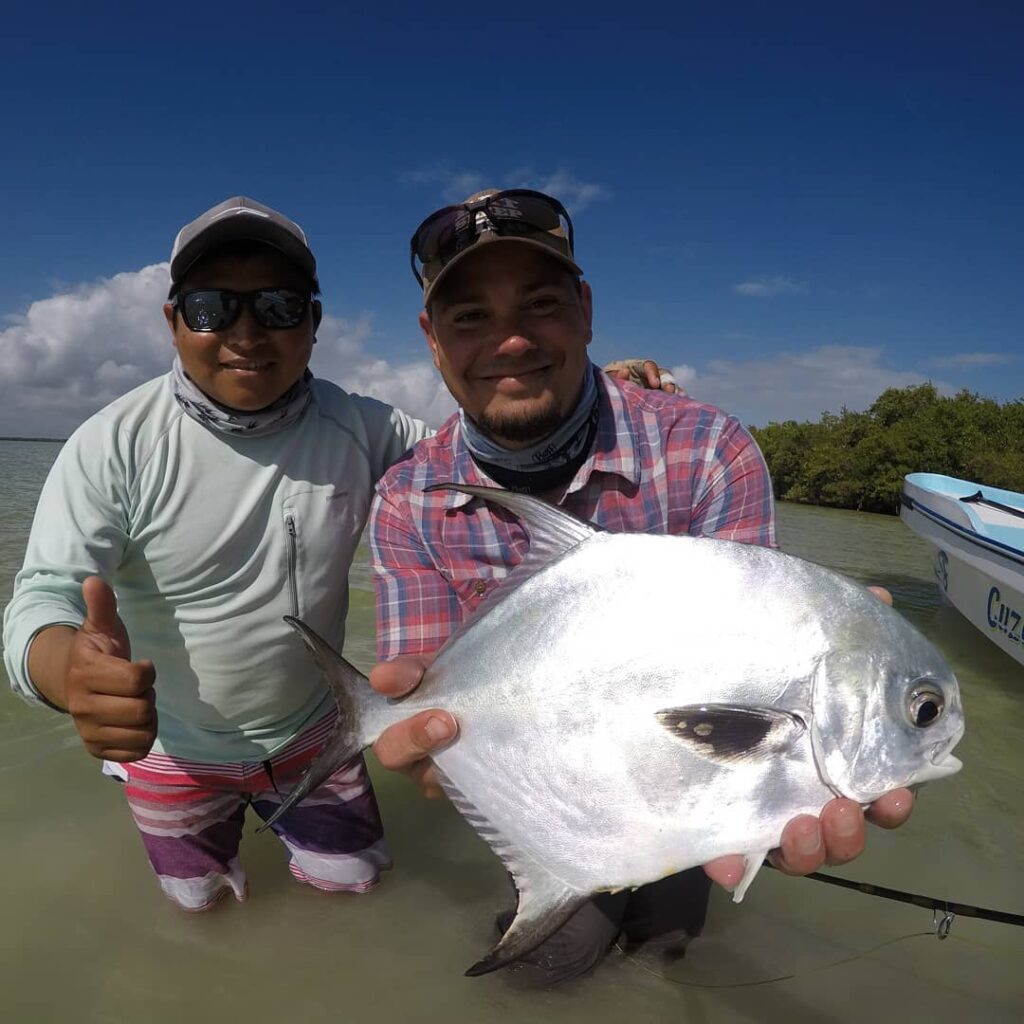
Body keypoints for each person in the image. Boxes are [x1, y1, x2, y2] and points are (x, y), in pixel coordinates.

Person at [365, 188, 915, 984]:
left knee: (670, 941)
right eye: (470, 317)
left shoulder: (711, 448)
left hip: (696, 788)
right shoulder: (407, 498)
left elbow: (746, 682)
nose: (511, 340)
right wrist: (424, 741)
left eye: (542, 304)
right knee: (546, 966)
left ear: (586, 309)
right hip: (546, 789)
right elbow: (425, 702)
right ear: (432, 340)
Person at [1, 196, 435, 911]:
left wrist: (607, 394)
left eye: (276, 305)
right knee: (197, 908)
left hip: (318, 737)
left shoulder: (367, 428)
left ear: (314, 323)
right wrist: (67, 673)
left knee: (356, 893)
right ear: (173, 323)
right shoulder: (113, 444)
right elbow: (41, 596)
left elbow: (479, 467)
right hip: (170, 755)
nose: (244, 332)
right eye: (210, 307)